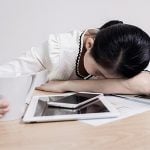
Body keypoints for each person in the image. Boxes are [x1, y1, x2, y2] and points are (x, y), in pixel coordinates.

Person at [0, 20, 150, 117]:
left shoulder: (127, 59)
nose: (102, 80)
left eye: (111, 80)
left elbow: (145, 83)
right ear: (89, 44)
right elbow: (6, 73)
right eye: (98, 72)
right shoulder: (58, 50)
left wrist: (66, 85)